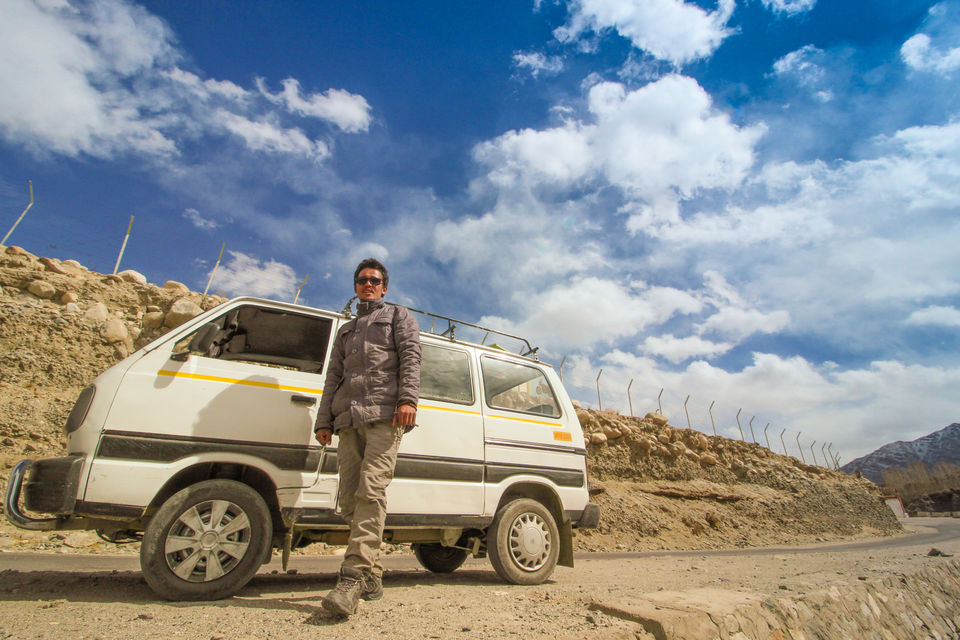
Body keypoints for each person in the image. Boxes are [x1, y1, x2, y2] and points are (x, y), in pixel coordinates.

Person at [314, 258, 421, 616]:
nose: (367, 284)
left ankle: (352, 577)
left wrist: (408, 399)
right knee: (347, 499)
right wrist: (323, 420)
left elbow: (411, 356)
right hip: (347, 419)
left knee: (370, 490)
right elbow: (333, 377)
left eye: (374, 280)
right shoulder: (346, 330)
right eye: (361, 280)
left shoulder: (397, 316)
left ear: (384, 286)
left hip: (385, 416)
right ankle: (373, 573)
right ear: (355, 285)